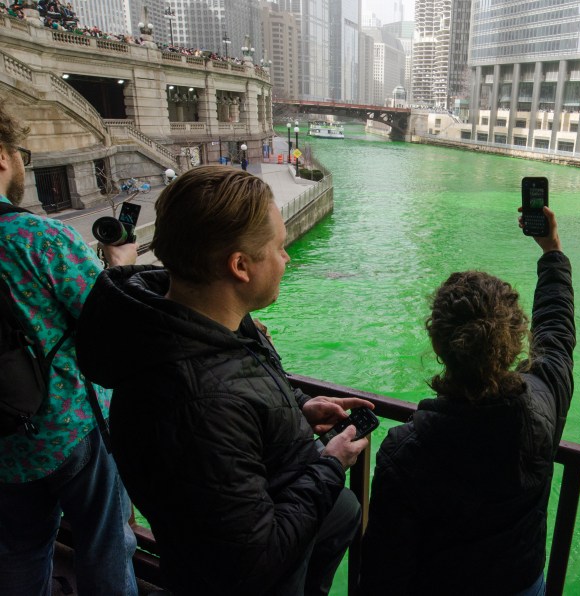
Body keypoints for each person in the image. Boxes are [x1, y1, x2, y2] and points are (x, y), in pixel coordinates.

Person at [75, 165, 371, 595]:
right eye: (280, 247)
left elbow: (243, 391)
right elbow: (254, 562)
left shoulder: (200, 324)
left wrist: (299, 406)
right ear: (240, 266)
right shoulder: (198, 403)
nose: (286, 259)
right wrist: (330, 465)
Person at [359, 207, 575, 595]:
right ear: (512, 345)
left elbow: (384, 571)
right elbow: (557, 335)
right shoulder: (542, 407)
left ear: (440, 346)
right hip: (522, 582)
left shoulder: (406, 451)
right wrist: (551, 249)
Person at [0, 104, 138, 594]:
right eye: (21, 154)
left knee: (19, 548)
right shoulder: (37, 238)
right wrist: (119, 266)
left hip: (5, 441)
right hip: (68, 428)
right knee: (105, 543)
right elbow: (111, 326)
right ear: (2, 158)